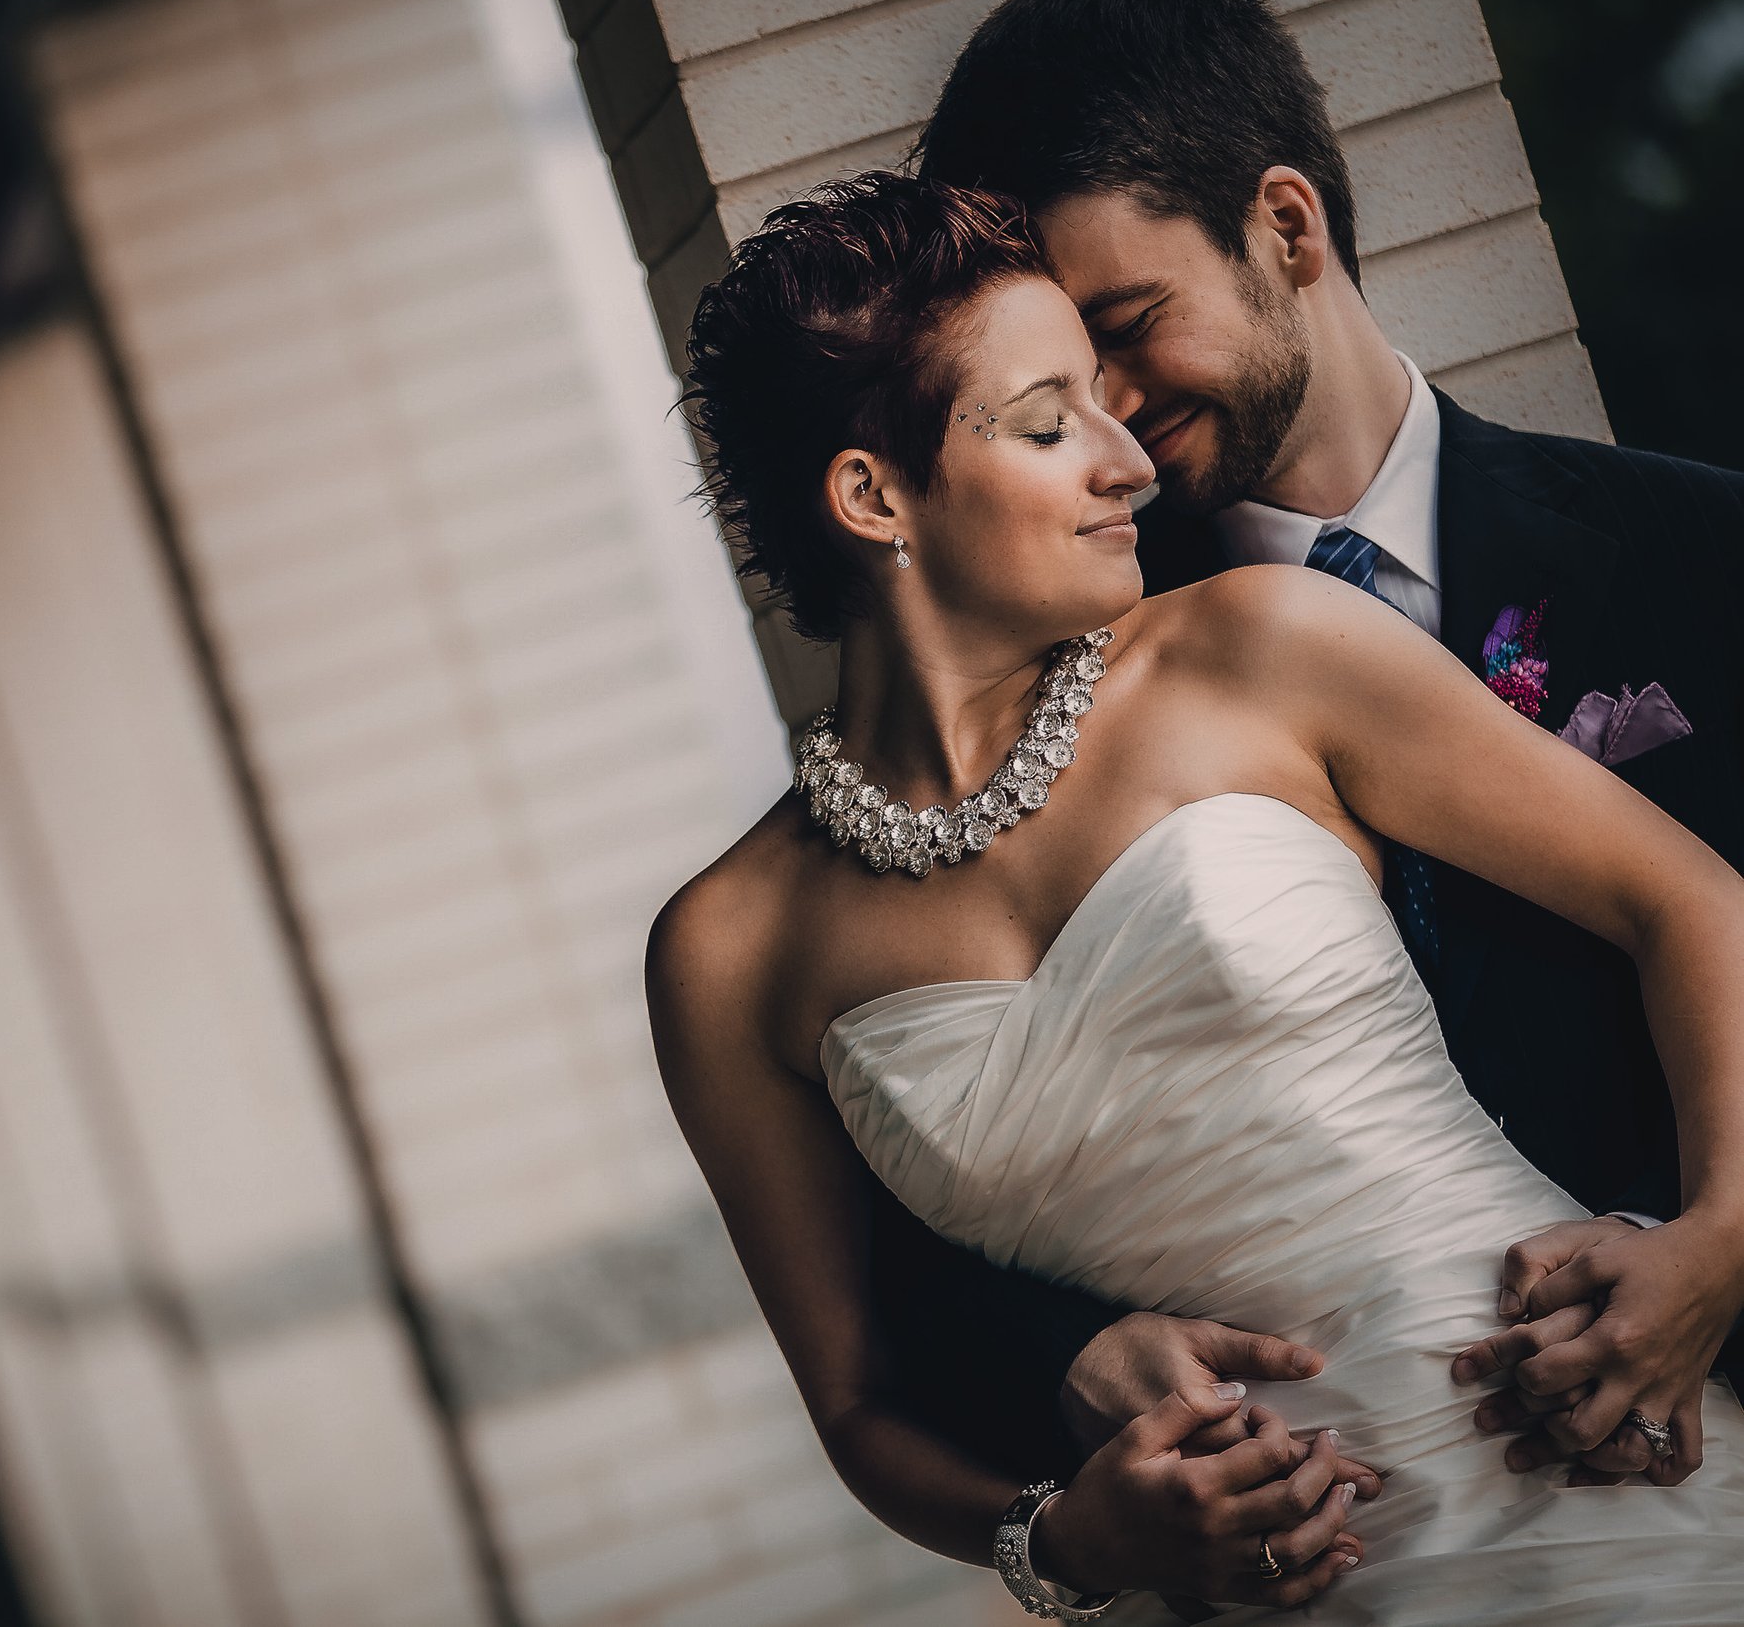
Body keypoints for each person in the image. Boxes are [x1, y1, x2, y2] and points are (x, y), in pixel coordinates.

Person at [646, 170, 1744, 1621]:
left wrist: (1716, 1241)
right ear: (873, 494)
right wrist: (1070, 1538)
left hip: (1618, 1475)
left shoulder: (1260, 646)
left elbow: (1692, 899)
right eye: (1049, 424)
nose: (1129, 463)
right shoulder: (730, 954)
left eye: (1108, 401)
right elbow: (859, 1406)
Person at [881, 0, 1744, 1503]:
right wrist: (1070, 1355)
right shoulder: (1070, 721)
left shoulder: (1700, 548)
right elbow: (965, 1191)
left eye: (1130, 330)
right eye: (1054, 388)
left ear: (1288, 227)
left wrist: (1721, 1242)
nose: (1111, 417)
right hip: (1405, 1530)